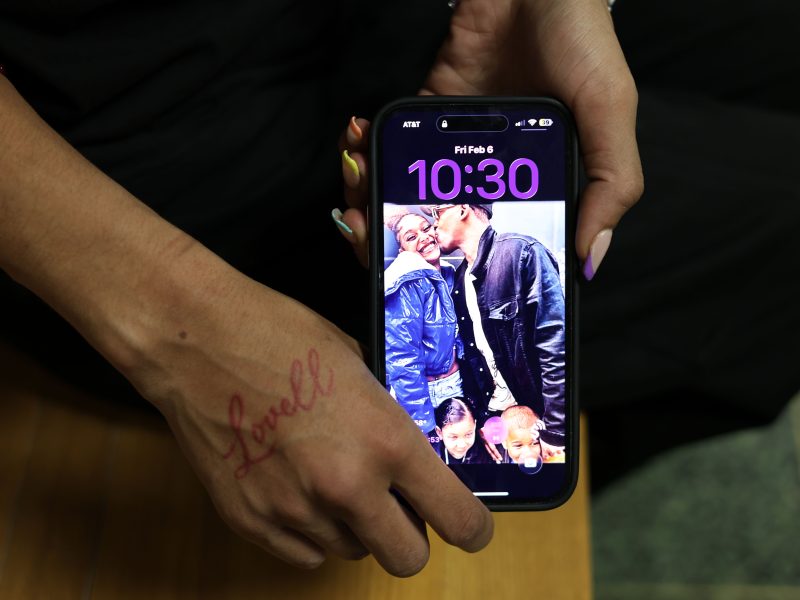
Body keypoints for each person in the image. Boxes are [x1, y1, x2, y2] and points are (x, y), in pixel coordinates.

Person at [0, 0, 644, 576]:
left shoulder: (492, 262)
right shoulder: (430, 276)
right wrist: (181, 334)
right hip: (125, 154)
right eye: (415, 222)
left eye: (429, 217)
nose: (421, 224)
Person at [424, 203, 567, 461]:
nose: (434, 223)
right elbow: (471, 361)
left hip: (537, 429)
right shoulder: (458, 280)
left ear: (463, 209)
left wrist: (555, 432)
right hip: (494, 429)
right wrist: (482, 422)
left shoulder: (520, 253)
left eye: (437, 212)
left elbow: (555, 345)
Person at [383, 208, 464, 442]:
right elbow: (402, 358)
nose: (424, 237)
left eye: (426, 228)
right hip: (426, 395)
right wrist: (423, 422)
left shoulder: (448, 274)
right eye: (411, 237)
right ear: (401, 251)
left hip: (456, 386)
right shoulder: (406, 281)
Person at [434, 397, 491, 465]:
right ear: (439, 432)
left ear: (475, 426)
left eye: (468, 434)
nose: (462, 445)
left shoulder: (483, 454)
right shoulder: (429, 455)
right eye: (453, 437)